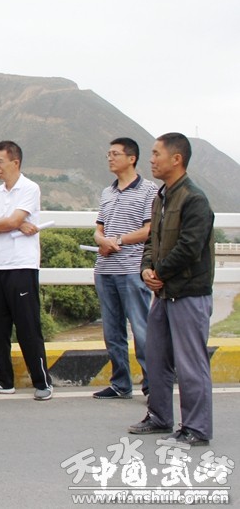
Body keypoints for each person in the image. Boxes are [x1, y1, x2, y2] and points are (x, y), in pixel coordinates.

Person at [129, 133, 215, 446]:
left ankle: (196, 428)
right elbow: (152, 241)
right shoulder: (161, 197)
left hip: (188, 293)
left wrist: (159, 273)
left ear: (176, 159)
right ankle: (159, 417)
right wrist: (146, 269)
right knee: (156, 357)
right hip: (164, 293)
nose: (151, 160)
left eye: (156, 154)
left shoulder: (194, 199)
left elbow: (190, 247)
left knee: (191, 364)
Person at [0, 140, 53, 400]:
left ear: (15, 162)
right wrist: (15, 224)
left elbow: (7, 220)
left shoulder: (30, 188)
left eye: (0, 161)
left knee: (28, 326)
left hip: (22, 265)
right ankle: (2, 379)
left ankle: (42, 381)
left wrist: (10, 222)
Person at [92, 138, 157, 400]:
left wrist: (117, 240)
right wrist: (102, 241)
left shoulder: (149, 190)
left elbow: (149, 230)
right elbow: (98, 230)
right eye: (108, 154)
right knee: (112, 331)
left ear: (132, 158)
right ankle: (120, 383)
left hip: (132, 268)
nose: (110, 158)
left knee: (141, 329)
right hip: (105, 269)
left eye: (115, 154)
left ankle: (153, 386)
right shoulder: (107, 192)